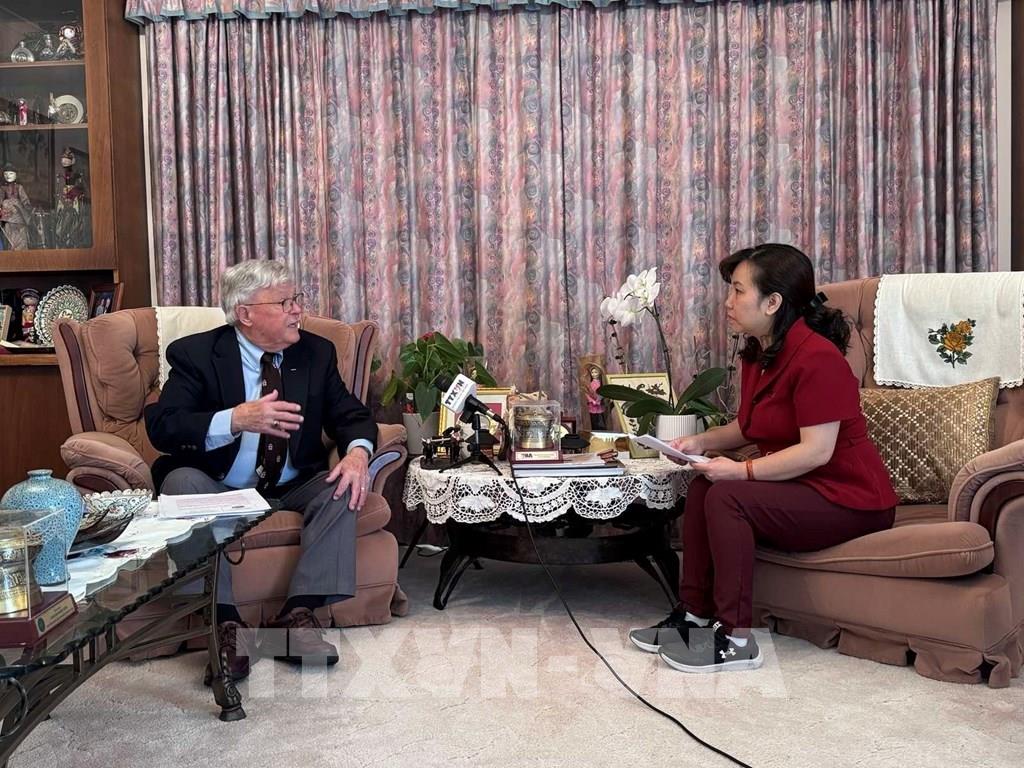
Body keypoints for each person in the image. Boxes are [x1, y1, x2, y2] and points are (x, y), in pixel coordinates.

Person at [629, 243, 897, 673]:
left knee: (727, 496)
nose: (728, 302)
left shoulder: (818, 358)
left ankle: (736, 639)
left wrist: (742, 471)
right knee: (702, 488)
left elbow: (817, 450)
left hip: (851, 499)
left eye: (738, 291)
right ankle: (694, 616)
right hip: (805, 486)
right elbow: (750, 427)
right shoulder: (760, 352)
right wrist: (699, 442)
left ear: (773, 302)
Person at [145, 259, 377, 681]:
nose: (297, 310)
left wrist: (357, 454)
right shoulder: (196, 354)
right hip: (216, 482)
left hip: (291, 482)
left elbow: (352, 416)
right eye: (284, 302)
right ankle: (225, 624)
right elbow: (164, 427)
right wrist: (235, 419)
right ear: (245, 313)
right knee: (179, 484)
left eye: (296, 299)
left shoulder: (315, 352)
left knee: (344, 485)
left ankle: (297, 615)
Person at [585, 365, 606, 430]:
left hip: (600, 405)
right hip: (592, 405)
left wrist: (598, 400)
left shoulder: (601, 383)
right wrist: (592, 401)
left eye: (595, 372)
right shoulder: (590, 384)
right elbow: (587, 394)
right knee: (593, 420)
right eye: (592, 372)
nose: (594, 374)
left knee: (601, 420)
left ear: (599, 373)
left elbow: (603, 393)